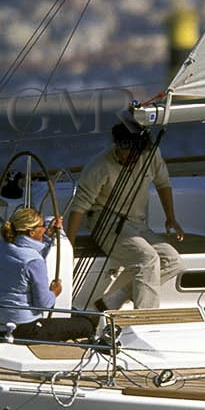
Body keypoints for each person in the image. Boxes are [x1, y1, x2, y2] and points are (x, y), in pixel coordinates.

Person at [65, 119, 184, 311]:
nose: (126, 158)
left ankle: (114, 298)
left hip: (137, 223)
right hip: (105, 222)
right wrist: (69, 248)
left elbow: (163, 183)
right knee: (148, 259)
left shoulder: (151, 155)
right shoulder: (99, 167)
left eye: (132, 155)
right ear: (116, 144)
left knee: (174, 261)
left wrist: (170, 217)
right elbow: (78, 208)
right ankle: (145, 321)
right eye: (123, 152)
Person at [0, 205, 63, 337]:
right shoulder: (34, 262)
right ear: (31, 232)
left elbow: (27, 251)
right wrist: (54, 292)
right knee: (85, 325)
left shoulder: (2, 246)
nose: (45, 228)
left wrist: (47, 235)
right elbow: (44, 304)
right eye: (42, 226)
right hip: (23, 327)